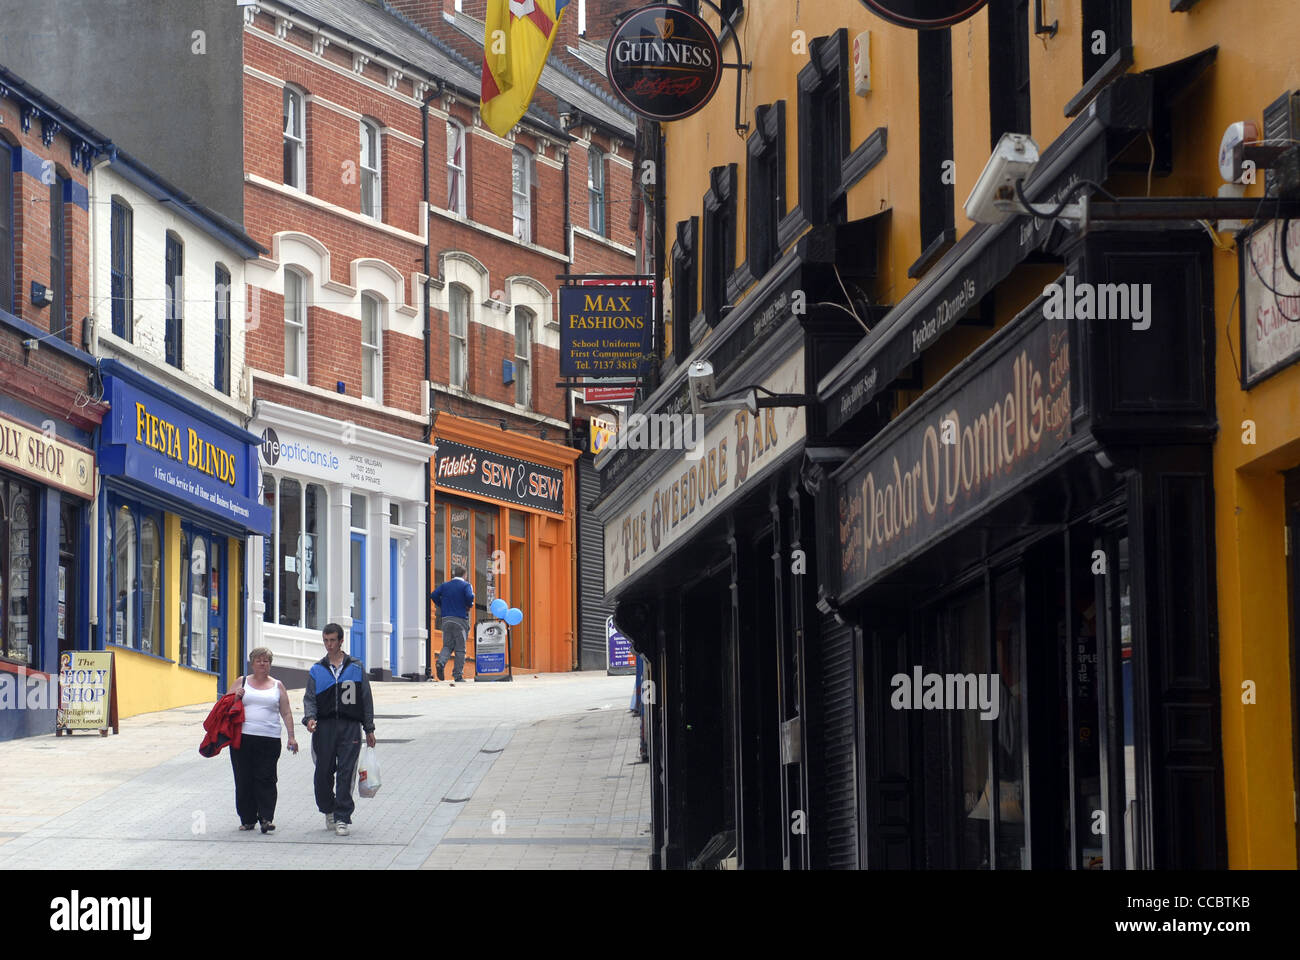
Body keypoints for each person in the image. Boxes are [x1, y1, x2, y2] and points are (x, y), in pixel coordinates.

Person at [302, 624, 375, 837]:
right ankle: (328, 808)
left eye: (333, 640)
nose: (329, 645)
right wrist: (310, 719)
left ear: (341, 641)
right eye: (326, 640)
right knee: (323, 773)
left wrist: (369, 728)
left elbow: (365, 700)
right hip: (324, 728)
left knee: (346, 772)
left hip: (350, 727)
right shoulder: (317, 669)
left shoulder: (356, 667)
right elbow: (310, 698)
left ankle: (342, 817)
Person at [230, 647, 298, 833]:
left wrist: (291, 736)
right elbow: (225, 706)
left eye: (266, 660)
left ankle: (266, 818)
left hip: (269, 738)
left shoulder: (278, 685)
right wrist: (235, 697)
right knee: (244, 779)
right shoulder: (241, 682)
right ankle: (248, 819)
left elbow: (286, 711)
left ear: (270, 664)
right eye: (259, 660)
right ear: (252, 664)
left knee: (266, 778)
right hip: (242, 738)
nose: (262, 663)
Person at [430, 566, 474, 685]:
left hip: (446, 619)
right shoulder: (466, 585)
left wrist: (442, 606)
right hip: (460, 619)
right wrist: (468, 605)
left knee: (447, 645)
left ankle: (441, 662)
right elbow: (470, 597)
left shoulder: (445, 585)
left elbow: (433, 595)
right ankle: (458, 675)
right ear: (464, 574)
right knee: (460, 649)